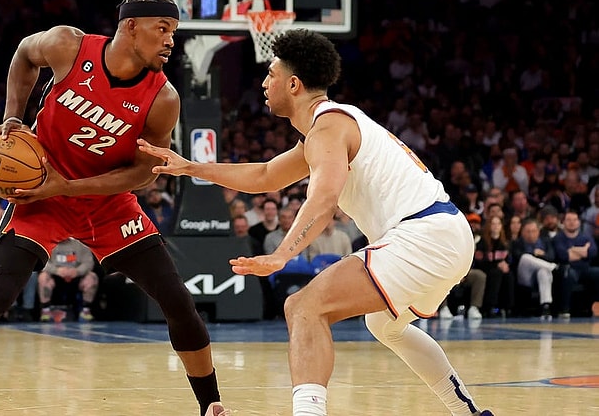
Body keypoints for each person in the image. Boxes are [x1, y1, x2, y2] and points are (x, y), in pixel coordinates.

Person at [139, 29, 493, 416]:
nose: (264, 83)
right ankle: (469, 413)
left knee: (305, 307)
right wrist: (189, 166)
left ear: (293, 84)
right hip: (445, 234)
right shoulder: (322, 130)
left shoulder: (329, 127)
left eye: (271, 74)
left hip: (425, 235)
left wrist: (280, 255)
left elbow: (323, 199)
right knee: (384, 326)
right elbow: (264, 177)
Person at [0, 0, 228, 416]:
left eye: (173, 30)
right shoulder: (68, 45)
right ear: (131, 27)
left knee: (177, 300)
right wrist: (12, 116)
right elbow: (24, 54)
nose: (172, 39)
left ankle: (212, 406)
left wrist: (67, 186)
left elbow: (142, 172)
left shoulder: (163, 98)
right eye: (164, 28)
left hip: (105, 201)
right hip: (40, 191)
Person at [37, 237, 98, 322]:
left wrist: (77, 271)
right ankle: (45, 311)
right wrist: (57, 270)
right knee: (43, 277)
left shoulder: (80, 244)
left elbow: (89, 263)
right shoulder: (48, 243)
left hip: (76, 276)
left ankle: (85, 311)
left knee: (92, 277)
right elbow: (43, 263)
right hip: (56, 276)